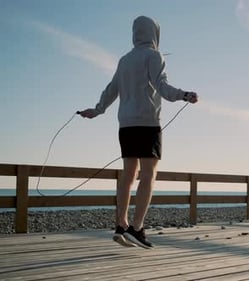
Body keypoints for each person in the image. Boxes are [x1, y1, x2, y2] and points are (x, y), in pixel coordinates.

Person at [79, 15, 198, 248]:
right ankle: (137, 227)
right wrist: (184, 95)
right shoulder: (154, 56)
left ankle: (121, 225)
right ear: (155, 33)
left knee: (128, 174)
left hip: (125, 125)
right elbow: (162, 86)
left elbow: (112, 89)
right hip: (147, 123)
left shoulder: (124, 60)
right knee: (148, 175)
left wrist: (97, 110)